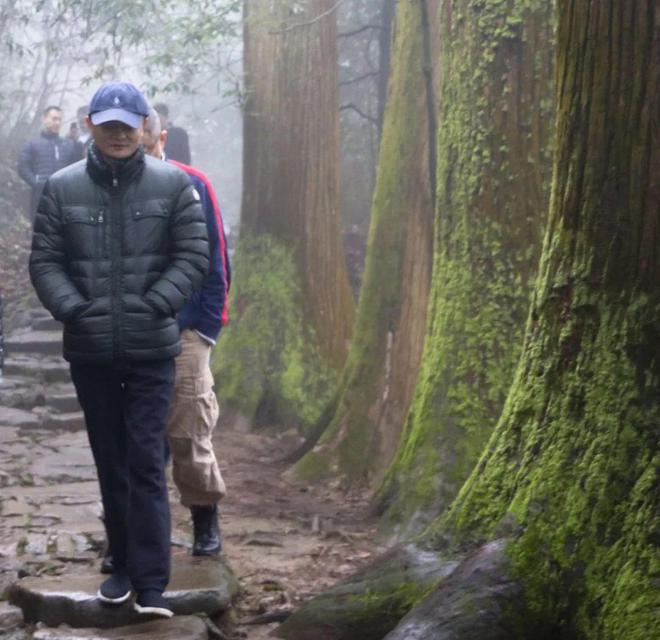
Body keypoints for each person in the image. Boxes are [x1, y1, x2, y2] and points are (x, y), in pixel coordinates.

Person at [29, 81, 209, 618]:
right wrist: (75, 309)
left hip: (153, 347)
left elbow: (193, 255)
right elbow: (45, 261)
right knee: (110, 460)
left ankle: (152, 582)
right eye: (107, 124)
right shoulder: (62, 188)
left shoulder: (173, 185)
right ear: (91, 125)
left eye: (127, 124)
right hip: (90, 351)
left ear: (144, 125)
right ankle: (122, 566)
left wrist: (157, 303)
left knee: (146, 461)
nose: (118, 133)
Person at [17, 106, 77, 219]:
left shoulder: (68, 145)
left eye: (60, 119)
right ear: (44, 119)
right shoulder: (32, 143)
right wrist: (36, 182)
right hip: (40, 197)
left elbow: (75, 168)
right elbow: (22, 167)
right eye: (54, 119)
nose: (57, 122)